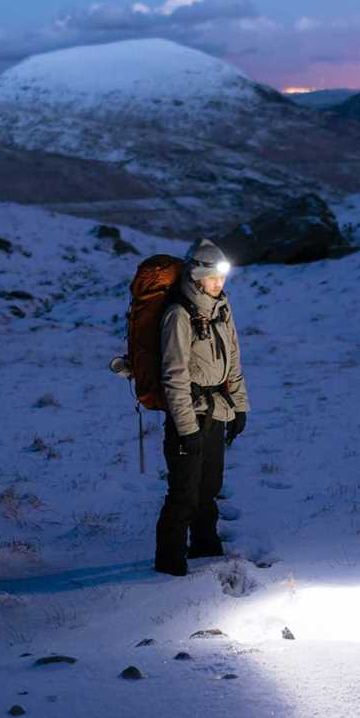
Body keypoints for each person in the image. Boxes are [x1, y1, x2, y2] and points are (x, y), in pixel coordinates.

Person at [154, 238, 250, 576]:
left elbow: (233, 359)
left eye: (222, 277)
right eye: (213, 278)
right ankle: (169, 565)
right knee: (184, 492)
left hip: (217, 410)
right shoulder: (178, 314)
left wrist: (239, 407)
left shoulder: (221, 307)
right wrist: (186, 429)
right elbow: (174, 376)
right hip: (189, 415)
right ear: (196, 276)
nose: (219, 283)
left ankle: (206, 548)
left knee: (209, 487)